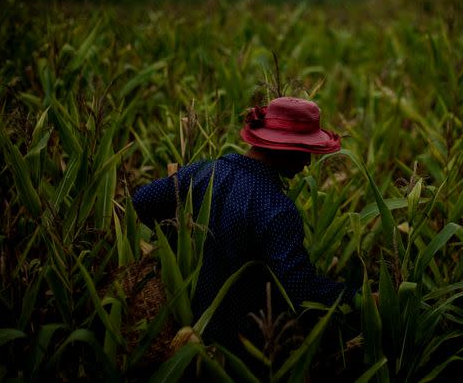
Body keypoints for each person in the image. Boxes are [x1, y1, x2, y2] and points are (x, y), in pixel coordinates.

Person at [132, 96, 356, 353]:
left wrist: (175, 238)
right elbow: (299, 287)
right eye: (304, 151)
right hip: (242, 345)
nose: (307, 163)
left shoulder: (204, 171)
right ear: (284, 147)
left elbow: (142, 201)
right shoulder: (277, 209)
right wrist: (354, 297)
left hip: (183, 326)